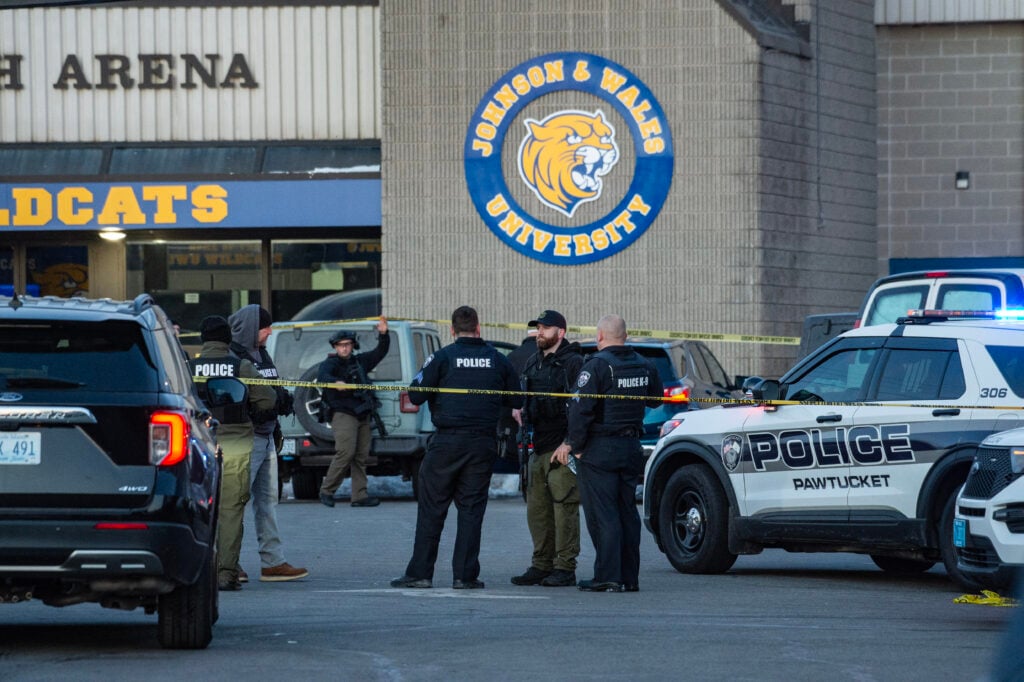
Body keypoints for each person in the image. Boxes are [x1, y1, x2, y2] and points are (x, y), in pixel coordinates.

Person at [391, 305, 522, 589]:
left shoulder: (442, 357)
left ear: (451, 330)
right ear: (479, 327)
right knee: (471, 511)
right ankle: (465, 576)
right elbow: (517, 399)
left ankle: (420, 574)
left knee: (431, 509)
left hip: (447, 443)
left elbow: (415, 394)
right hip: (482, 443)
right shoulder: (497, 359)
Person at [561, 314, 662, 593]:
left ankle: (607, 576)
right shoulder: (644, 364)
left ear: (600, 337)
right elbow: (655, 398)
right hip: (630, 447)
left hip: (600, 449)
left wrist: (576, 447)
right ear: (626, 336)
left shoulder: (595, 366)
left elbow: (580, 410)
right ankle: (629, 577)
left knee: (603, 515)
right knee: (626, 512)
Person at [190, 315, 277, 591]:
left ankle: (195, 570)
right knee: (230, 510)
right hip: (236, 444)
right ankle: (226, 573)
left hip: (196, 445)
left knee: (194, 510)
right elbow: (268, 400)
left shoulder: (186, 367)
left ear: (203, 339)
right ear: (228, 339)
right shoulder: (241, 366)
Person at [228, 304, 308, 583]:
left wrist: (282, 399)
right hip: (246, 440)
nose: (269, 332)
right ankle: (228, 563)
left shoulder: (260, 353)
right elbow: (236, 398)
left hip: (266, 437)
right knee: (234, 503)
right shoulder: (234, 357)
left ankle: (273, 561)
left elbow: (271, 389)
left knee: (267, 503)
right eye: (265, 328)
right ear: (252, 329)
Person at [510, 310, 584, 588]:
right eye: (538, 328)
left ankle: (565, 567)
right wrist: (519, 409)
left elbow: (582, 408)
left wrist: (571, 444)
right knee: (537, 511)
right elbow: (525, 398)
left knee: (564, 508)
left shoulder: (574, 363)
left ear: (561, 332)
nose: (539, 332)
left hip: (562, 448)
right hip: (538, 445)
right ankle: (542, 564)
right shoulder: (533, 362)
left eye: (545, 328)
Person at [317, 317, 391, 508]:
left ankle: (359, 495)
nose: (344, 348)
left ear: (352, 345)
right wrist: (335, 383)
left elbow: (379, 352)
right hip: (343, 413)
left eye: (348, 345)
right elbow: (322, 376)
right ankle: (327, 490)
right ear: (335, 347)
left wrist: (384, 334)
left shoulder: (359, 362)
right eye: (340, 345)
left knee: (361, 456)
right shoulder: (331, 363)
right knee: (346, 452)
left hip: (362, 413)